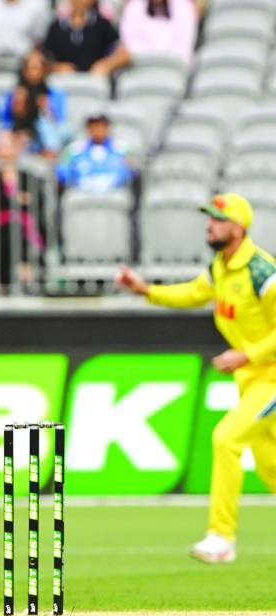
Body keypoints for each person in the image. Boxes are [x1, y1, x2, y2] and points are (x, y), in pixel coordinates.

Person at [115, 193, 276, 564]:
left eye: (218, 219)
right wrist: (145, 290)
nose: (209, 224)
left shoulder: (261, 272)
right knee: (269, 466)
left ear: (238, 228)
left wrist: (247, 354)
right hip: (252, 378)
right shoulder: (222, 266)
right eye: (209, 217)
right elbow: (192, 292)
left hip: (270, 375)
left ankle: (220, 537)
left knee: (225, 439)